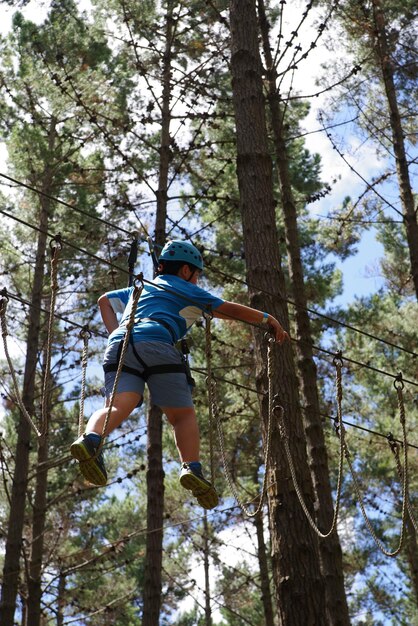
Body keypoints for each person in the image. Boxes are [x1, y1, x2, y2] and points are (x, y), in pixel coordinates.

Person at [70, 240, 289, 509]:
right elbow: (229, 309)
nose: (197, 280)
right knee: (181, 415)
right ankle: (191, 467)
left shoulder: (142, 287)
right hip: (158, 343)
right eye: (197, 275)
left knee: (116, 405)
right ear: (186, 271)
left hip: (119, 346)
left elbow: (104, 300)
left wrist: (115, 332)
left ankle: (91, 439)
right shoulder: (188, 290)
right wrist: (268, 319)